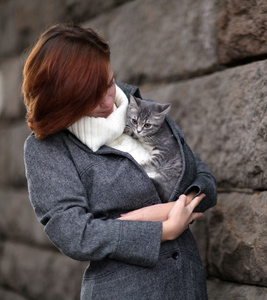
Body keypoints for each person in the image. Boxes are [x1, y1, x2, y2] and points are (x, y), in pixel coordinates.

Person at [22, 23, 217, 300]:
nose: (106, 101)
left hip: (187, 286)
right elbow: (76, 234)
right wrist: (165, 227)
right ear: (62, 99)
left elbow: (203, 178)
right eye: (89, 96)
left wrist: (150, 214)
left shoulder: (143, 111)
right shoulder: (48, 148)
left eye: (109, 83)